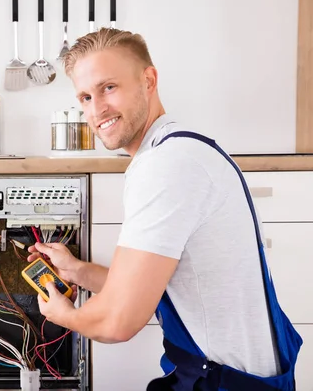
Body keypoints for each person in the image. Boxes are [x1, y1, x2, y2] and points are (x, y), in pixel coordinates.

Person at [28, 28, 302, 390]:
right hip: (228, 375)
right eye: (85, 96)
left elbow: (117, 320)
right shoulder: (181, 148)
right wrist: (77, 271)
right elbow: (147, 286)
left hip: (226, 382)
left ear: (148, 80)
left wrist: (63, 315)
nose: (97, 109)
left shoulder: (167, 165)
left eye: (109, 87)